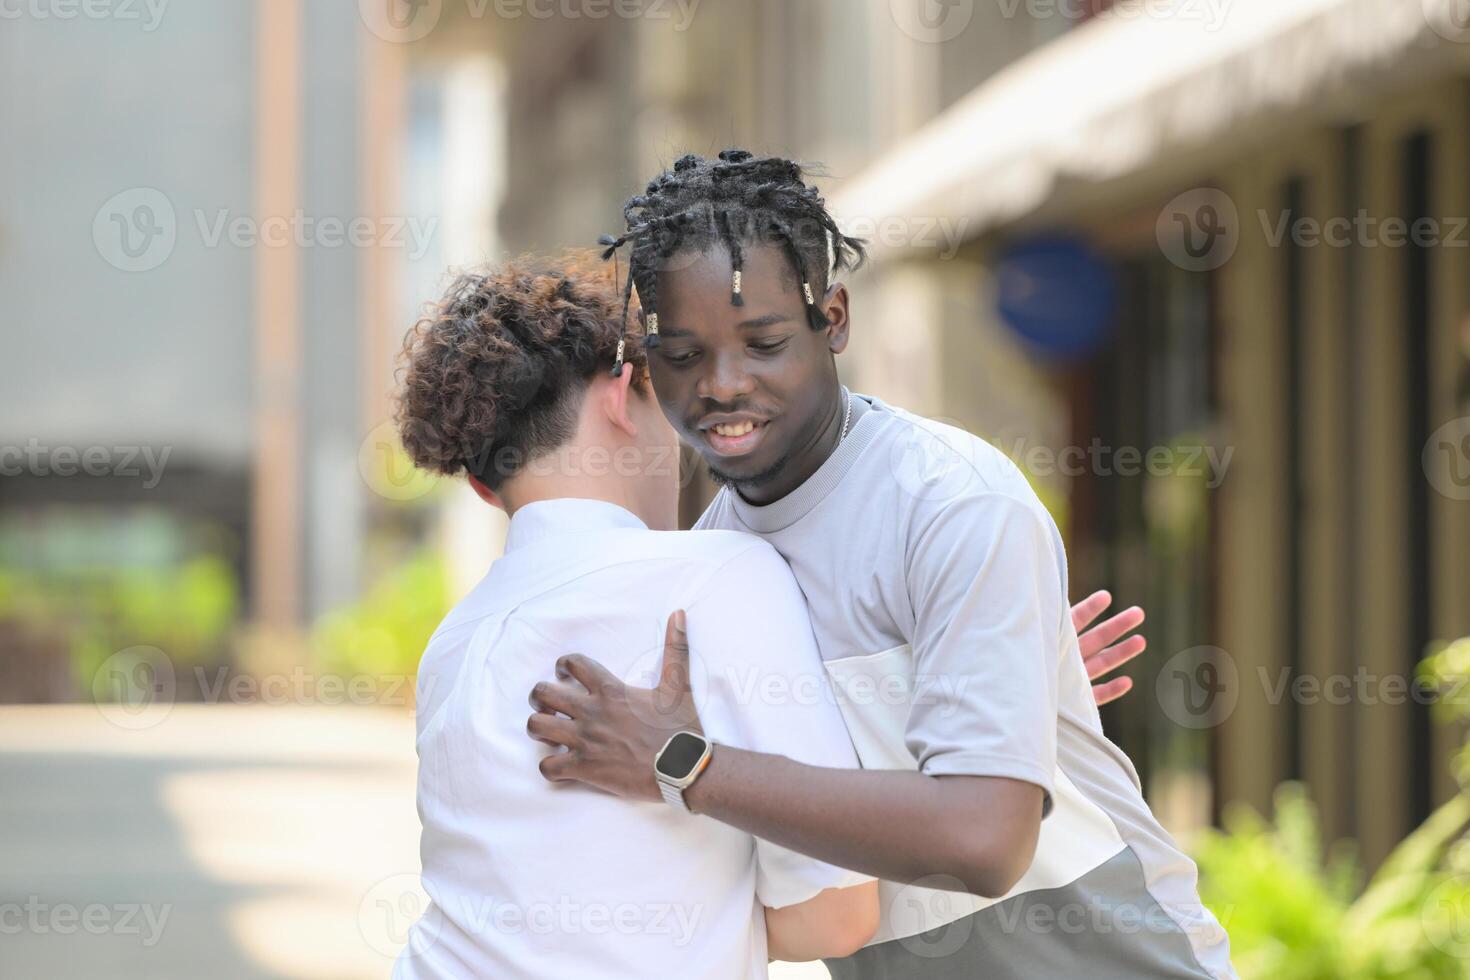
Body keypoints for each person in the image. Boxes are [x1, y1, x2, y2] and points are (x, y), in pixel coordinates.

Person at [525, 150, 1235, 979]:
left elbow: (983, 843)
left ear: (833, 319)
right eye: (683, 355)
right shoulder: (707, 565)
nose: (722, 385)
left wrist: (685, 763)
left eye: (764, 342)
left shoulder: (952, 503)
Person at [391, 254, 878, 979]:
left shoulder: (452, 642)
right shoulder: (717, 576)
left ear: (484, 488)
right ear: (623, 394)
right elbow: (837, 912)